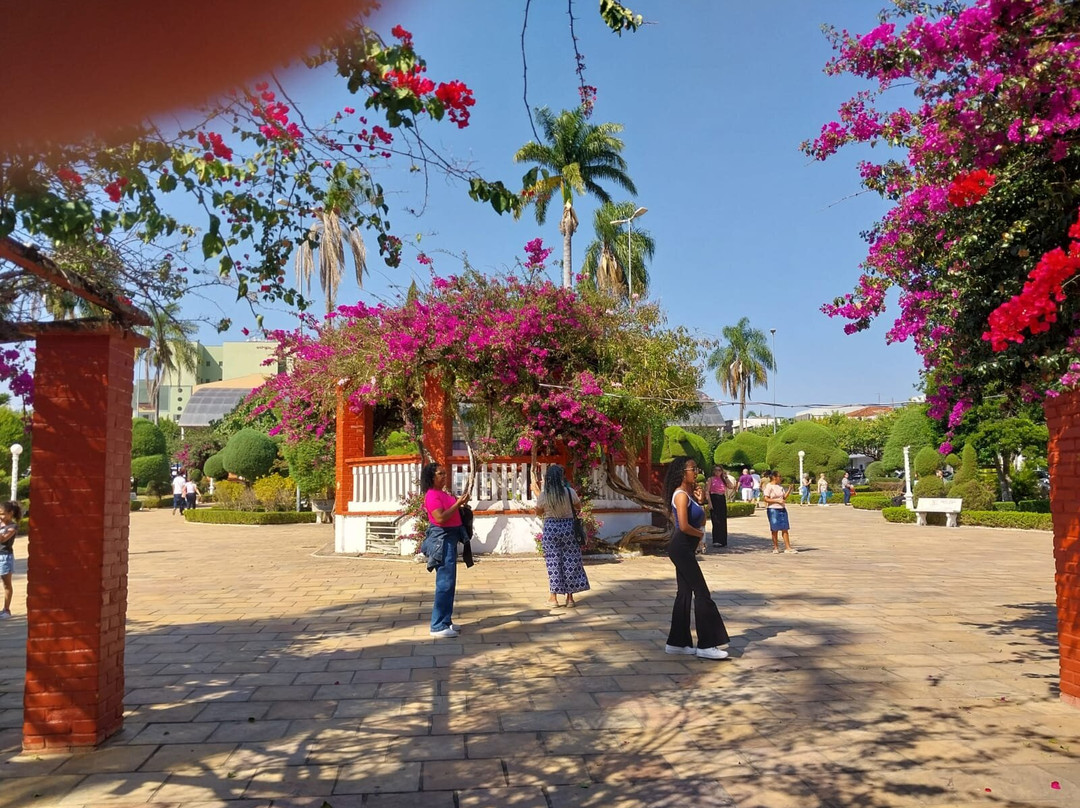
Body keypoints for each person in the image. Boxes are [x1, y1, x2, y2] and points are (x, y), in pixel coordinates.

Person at [663, 457, 731, 661]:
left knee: (684, 593)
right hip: (681, 547)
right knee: (702, 593)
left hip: (685, 548)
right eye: (692, 469)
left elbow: (700, 519)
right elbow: (682, 526)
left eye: (695, 468)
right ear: (682, 472)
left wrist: (700, 502)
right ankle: (706, 644)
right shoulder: (681, 495)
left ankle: (677, 643)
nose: (696, 472)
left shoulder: (690, 495)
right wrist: (700, 535)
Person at [420, 462, 471, 638]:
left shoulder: (442, 493)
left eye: (444, 473)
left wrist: (460, 505)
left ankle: (446, 620)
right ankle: (438, 625)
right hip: (442, 540)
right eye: (440, 474)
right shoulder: (432, 495)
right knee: (444, 583)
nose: (444, 476)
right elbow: (440, 518)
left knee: (450, 583)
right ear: (431, 477)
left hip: (451, 538)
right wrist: (457, 504)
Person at [535, 464, 590, 608]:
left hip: (551, 528)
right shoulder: (569, 492)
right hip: (568, 528)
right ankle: (570, 598)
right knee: (571, 562)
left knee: (553, 562)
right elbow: (578, 507)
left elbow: (538, 512)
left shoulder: (544, 495)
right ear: (561, 477)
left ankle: (553, 598)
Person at [763, 472, 796, 554]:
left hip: (782, 508)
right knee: (774, 529)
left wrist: (789, 490)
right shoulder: (769, 486)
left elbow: (784, 497)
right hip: (773, 509)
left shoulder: (780, 486)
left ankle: (788, 547)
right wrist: (776, 500)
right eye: (779, 476)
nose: (780, 478)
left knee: (785, 528)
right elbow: (766, 499)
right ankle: (775, 547)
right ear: (774, 477)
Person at [0, 501, 21, 619]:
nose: (0, 517)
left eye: (2, 514)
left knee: (6, 584)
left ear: (10, 513)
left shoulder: (13, 527)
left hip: (5, 557)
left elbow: (2, 539)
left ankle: (6, 610)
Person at [707, 466, 729, 548]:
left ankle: (723, 540)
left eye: (719, 470)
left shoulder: (723, 479)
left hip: (722, 498)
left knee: (722, 519)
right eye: (716, 470)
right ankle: (716, 540)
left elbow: (731, 486)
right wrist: (709, 503)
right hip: (714, 498)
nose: (717, 472)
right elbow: (707, 491)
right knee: (716, 520)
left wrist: (726, 477)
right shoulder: (711, 479)